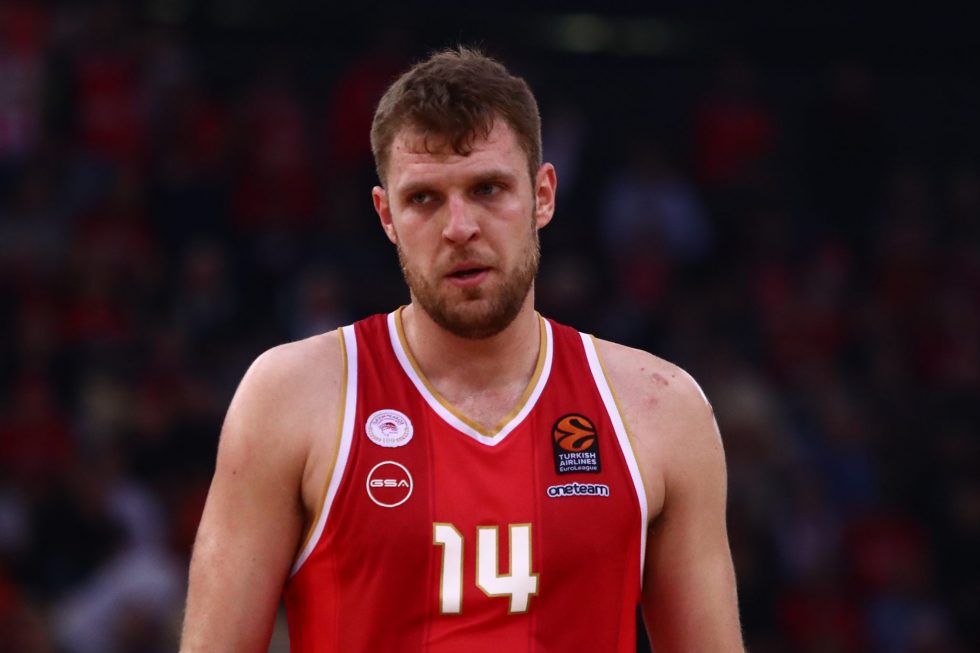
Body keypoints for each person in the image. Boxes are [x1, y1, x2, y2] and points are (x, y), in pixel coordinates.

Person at [179, 47, 744, 652]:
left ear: (543, 195)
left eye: (487, 188)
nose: (459, 227)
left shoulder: (661, 409)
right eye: (424, 198)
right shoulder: (290, 397)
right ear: (386, 215)